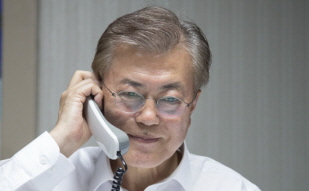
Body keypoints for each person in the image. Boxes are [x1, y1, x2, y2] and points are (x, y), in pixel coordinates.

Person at [0, 6, 260, 191]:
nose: (148, 117)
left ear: (193, 105)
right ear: (96, 95)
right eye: (129, 94)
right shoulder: (47, 180)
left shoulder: (233, 187)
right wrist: (63, 140)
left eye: (170, 99)